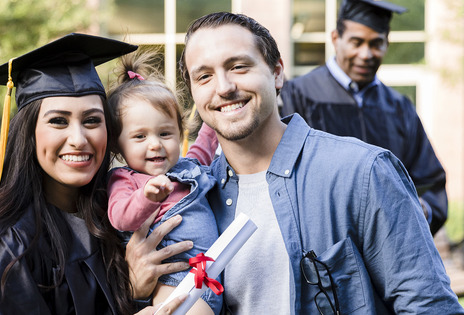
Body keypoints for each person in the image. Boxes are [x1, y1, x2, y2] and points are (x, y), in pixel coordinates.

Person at [127, 12, 464, 314]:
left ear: (276, 74)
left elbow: (429, 306)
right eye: (204, 76)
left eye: (238, 67)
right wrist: (140, 292)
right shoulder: (193, 197)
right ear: (194, 95)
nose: (225, 87)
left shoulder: (361, 173)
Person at [0, 33, 188, 315]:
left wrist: (139, 295)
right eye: (58, 121)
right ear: (29, 133)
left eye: (92, 120)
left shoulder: (119, 211)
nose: (79, 139)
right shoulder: (13, 246)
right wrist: (132, 293)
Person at [280, 0, 448, 235]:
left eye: (376, 43)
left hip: (391, 248)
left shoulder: (399, 108)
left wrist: (425, 210)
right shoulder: (296, 96)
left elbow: (430, 181)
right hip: (326, 249)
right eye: (356, 42)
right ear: (336, 38)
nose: (366, 54)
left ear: (387, 44)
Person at [106, 51, 221, 314]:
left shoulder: (187, 166)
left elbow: (204, 143)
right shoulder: (126, 179)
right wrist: (146, 198)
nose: (155, 143)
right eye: (140, 136)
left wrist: (214, 115)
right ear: (117, 144)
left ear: (180, 133)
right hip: (172, 278)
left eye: (165, 133)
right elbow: (120, 217)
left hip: (210, 274)